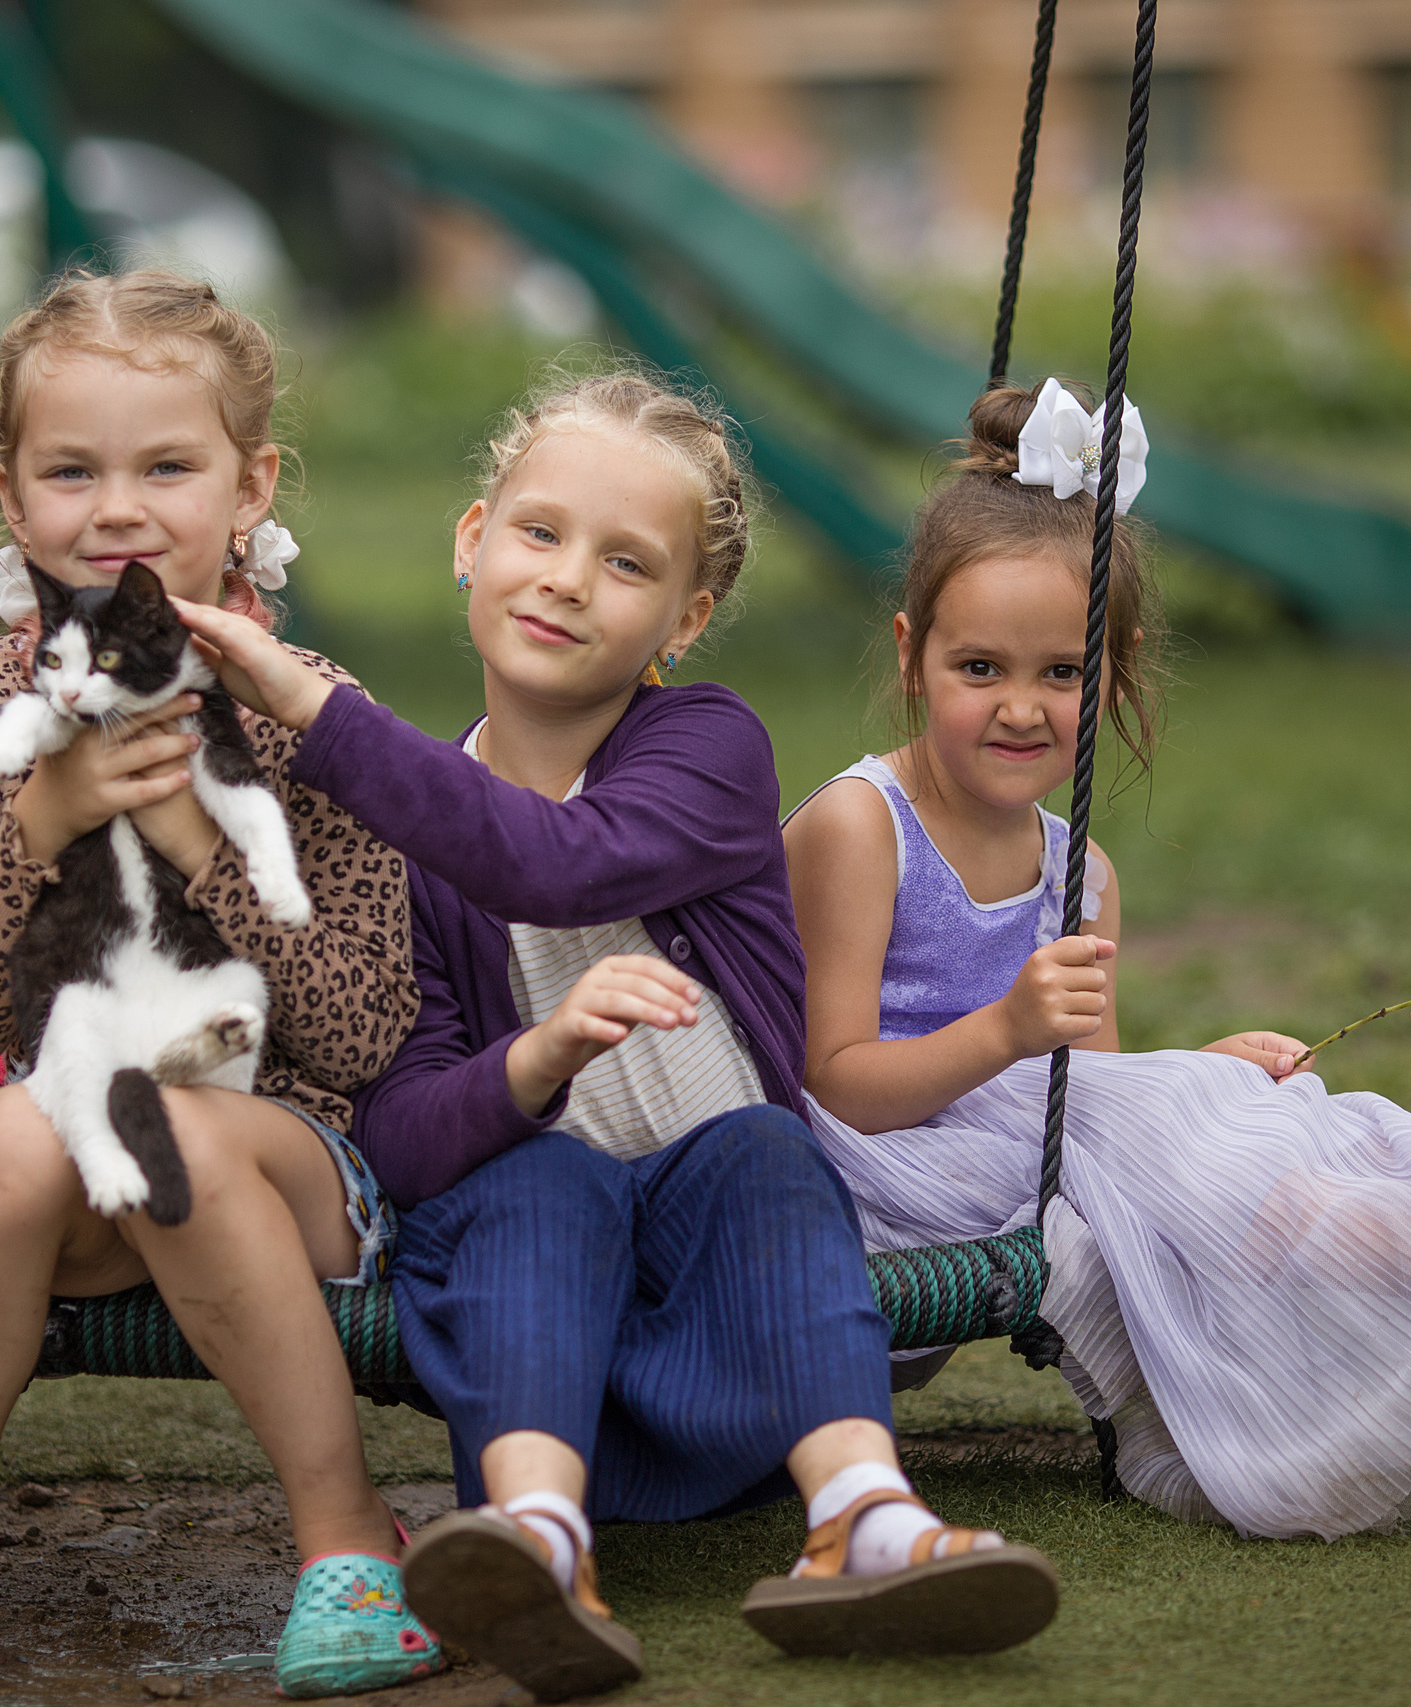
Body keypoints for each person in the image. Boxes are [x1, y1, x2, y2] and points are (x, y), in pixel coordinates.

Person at [174, 367, 1063, 1705]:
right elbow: (402, 1132)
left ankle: (863, 1513)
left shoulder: (706, 747)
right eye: (539, 533)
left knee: (763, 1146)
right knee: (534, 1175)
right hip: (545, 1354)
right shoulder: (396, 837)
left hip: (739, 1336)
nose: (569, 578)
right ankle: (538, 1540)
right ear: (473, 540)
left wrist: (316, 711)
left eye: (626, 560)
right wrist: (539, 1060)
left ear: (684, 616)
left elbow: (548, 860)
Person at [781, 379, 1411, 1541]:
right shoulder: (861, 827)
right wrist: (1008, 1031)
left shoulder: (1080, 868)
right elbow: (833, 1076)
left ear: (1116, 667)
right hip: (879, 1171)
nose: (1021, 708)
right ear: (912, 656)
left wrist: (1196, 1065)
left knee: (1283, 1126)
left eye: (1061, 673)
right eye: (979, 669)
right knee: (1238, 1160)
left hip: (1023, 1151)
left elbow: (1089, 1084)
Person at [0, 270, 440, 1699]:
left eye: (167, 464)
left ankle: (349, 1537)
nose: (118, 507)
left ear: (251, 486)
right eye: (72, 469)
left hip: (290, 1157)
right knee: (4, 1123)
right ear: (8, 492)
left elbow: (362, 1030)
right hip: (65, 1172)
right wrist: (39, 823)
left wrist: (196, 843)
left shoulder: (311, 710)